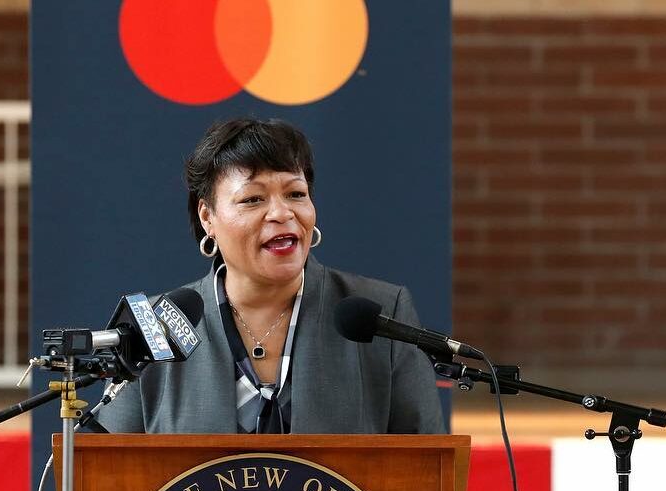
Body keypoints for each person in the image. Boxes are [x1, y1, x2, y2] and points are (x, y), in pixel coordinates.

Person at [93, 116, 444, 435]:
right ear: (207, 217)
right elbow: (107, 480)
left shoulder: (384, 314)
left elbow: (427, 477)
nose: (281, 212)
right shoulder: (153, 328)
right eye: (253, 199)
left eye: (296, 194)